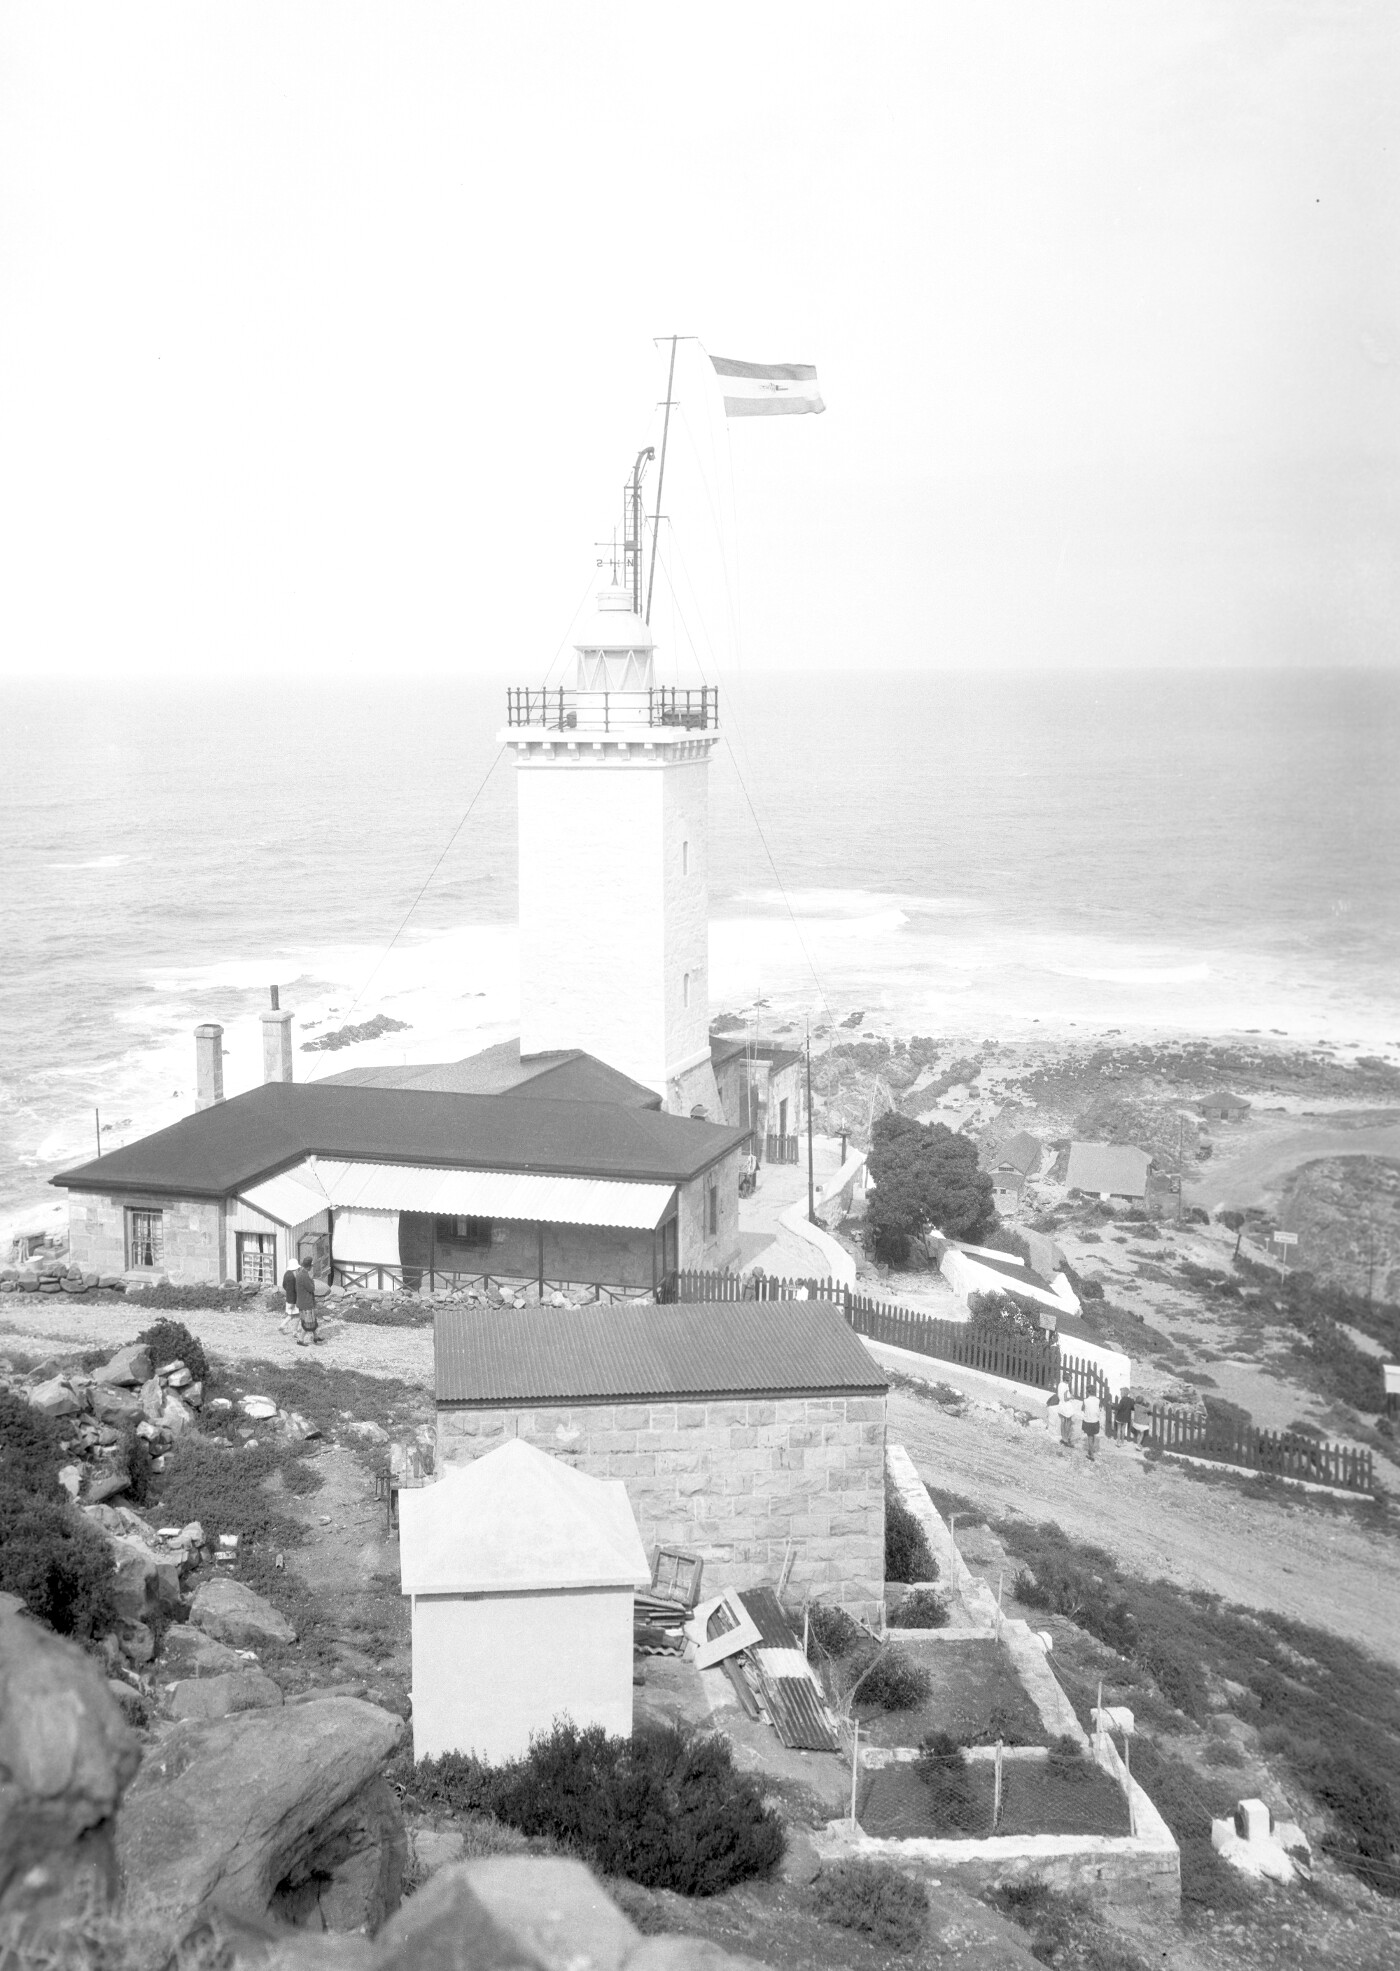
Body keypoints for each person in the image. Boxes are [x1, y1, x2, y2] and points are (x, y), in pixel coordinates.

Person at [294, 1258, 319, 1346]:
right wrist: (312, 1281)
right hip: (306, 1302)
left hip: (301, 1301)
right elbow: (311, 1288)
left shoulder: (299, 1274)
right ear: (309, 1266)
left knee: (312, 1320)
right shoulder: (305, 1276)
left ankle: (316, 1336)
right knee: (308, 1323)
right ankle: (300, 1340)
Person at [1082, 1389, 1102, 1461]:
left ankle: (1091, 1455)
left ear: (1088, 1392)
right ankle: (1091, 1449)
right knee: (1093, 1436)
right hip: (1095, 1421)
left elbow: (1082, 1409)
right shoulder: (1098, 1400)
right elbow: (1100, 1409)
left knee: (1089, 1437)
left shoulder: (1085, 1400)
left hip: (1088, 1421)